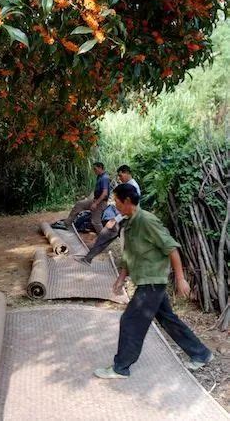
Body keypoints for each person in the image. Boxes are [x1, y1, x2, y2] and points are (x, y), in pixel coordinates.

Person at [94, 183, 213, 379]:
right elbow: (129, 255)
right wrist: (121, 278)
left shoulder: (147, 221)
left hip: (152, 282)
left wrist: (181, 278)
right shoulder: (130, 222)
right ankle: (201, 354)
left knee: (130, 321)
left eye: (117, 201)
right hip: (146, 280)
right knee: (168, 319)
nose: (115, 205)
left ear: (128, 201)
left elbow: (172, 248)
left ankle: (121, 368)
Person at [77, 165, 141, 264]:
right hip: (122, 218)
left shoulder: (132, 186)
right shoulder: (128, 185)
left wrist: (115, 220)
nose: (119, 178)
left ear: (126, 172)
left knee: (126, 245)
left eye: (120, 175)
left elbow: (130, 208)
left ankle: (129, 270)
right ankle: (88, 258)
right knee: (105, 235)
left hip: (128, 219)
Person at [52, 162, 110, 233]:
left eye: (95, 169)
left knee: (95, 221)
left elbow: (105, 193)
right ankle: (67, 224)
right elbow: (97, 190)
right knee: (79, 204)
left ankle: (103, 237)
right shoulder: (99, 176)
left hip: (101, 203)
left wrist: (95, 204)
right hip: (95, 200)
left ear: (100, 167)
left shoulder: (105, 178)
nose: (94, 171)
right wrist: (90, 200)